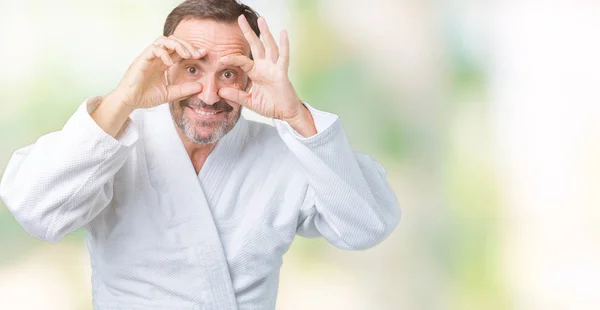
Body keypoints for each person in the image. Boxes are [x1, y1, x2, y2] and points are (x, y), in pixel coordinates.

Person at [0, 0, 401, 309]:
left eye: (227, 73)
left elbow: (366, 226)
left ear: (251, 75)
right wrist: (122, 99)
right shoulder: (112, 144)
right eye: (193, 69)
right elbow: (36, 211)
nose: (209, 96)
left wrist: (297, 116)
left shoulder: (287, 153)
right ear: (165, 67)